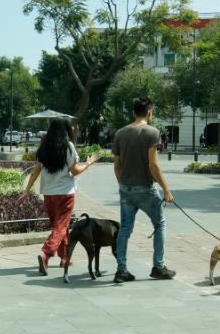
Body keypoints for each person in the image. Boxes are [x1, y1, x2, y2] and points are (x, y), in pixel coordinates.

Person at [112, 97, 176, 283]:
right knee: (160, 224)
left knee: (125, 229)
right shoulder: (152, 132)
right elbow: (153, 165)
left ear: (133, 112)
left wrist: (123, 185)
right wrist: (166, 189)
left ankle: (121, 270)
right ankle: (158, 266)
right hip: (146, 189)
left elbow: (116, 166)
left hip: (126, 189)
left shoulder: (120, 133)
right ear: (149, 112)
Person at [25, 118, 99, 275]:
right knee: (61, 226)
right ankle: (46, 252)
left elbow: (35, 171)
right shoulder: (68, 146)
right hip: (65, 193)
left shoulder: (43, 147)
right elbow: (75, 170)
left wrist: (26, 190)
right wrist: (88, 163)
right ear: (66, 129)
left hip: (48, 194)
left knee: (59, 226)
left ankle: (65, 257)